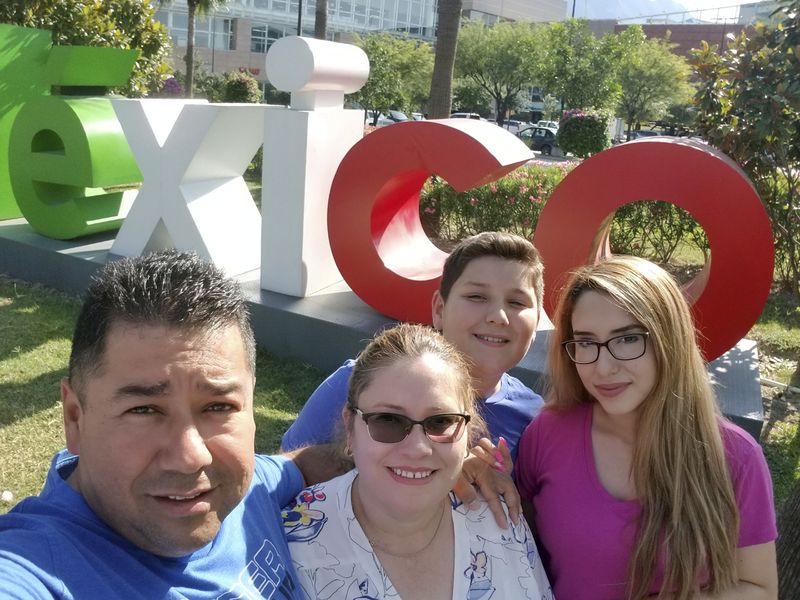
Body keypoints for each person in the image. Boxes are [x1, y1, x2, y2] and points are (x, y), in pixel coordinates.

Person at [0, 251, 321, 598]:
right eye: (144, 410)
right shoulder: (32, 567)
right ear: (75, 418)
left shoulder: (253, 485)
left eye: (218, 406)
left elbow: (298, 465)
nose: (191, 457)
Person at [515, 256, 778, 600]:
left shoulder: (735, 455)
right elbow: (518, 548)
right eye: (586, 342)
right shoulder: (548, 433)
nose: (603, 368)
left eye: (627, 339)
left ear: (669, 339)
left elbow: (759, 588)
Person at [282, 323, 553, 600]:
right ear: (350, 428)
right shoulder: (289, 548)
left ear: (468, 433)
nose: (417, 448)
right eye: (387, 420)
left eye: (441, 421)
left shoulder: (501, 520)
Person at [281, 232, 545, 465]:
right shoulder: (357, 384)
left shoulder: (535, 418)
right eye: (476, 296)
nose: (498, 316)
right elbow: (281, 481)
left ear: (536, 325)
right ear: (440, 309)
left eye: (517, 302)